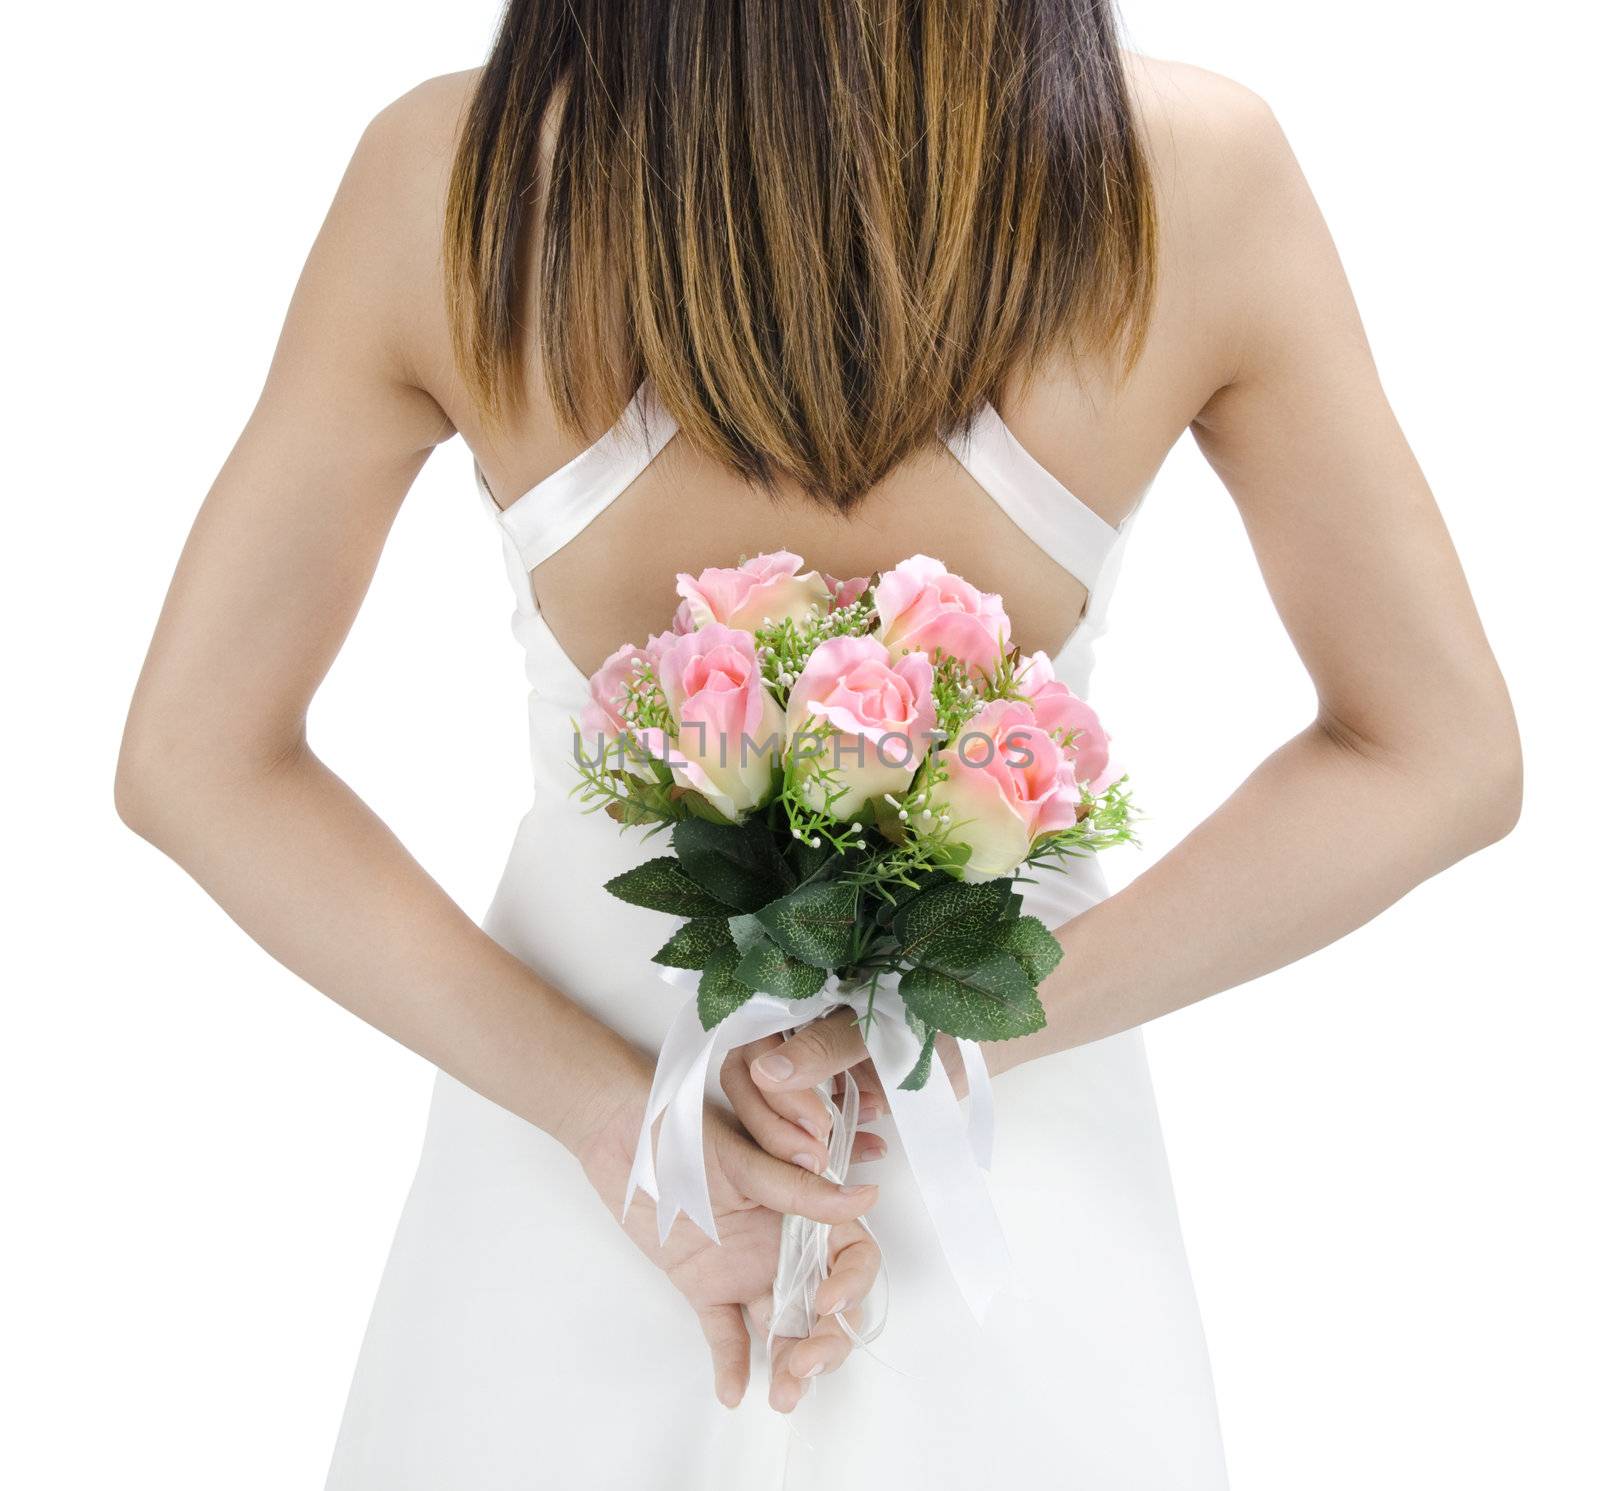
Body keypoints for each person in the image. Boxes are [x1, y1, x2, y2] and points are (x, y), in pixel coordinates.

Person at [115, 3, 1521, 1486]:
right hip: (1007, 1196)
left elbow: (197, 759)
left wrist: (610, 1119)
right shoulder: (1188, 177)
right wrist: (949, 1032)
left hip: (581, 1192)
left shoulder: (452, 179)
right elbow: (1433, 750)